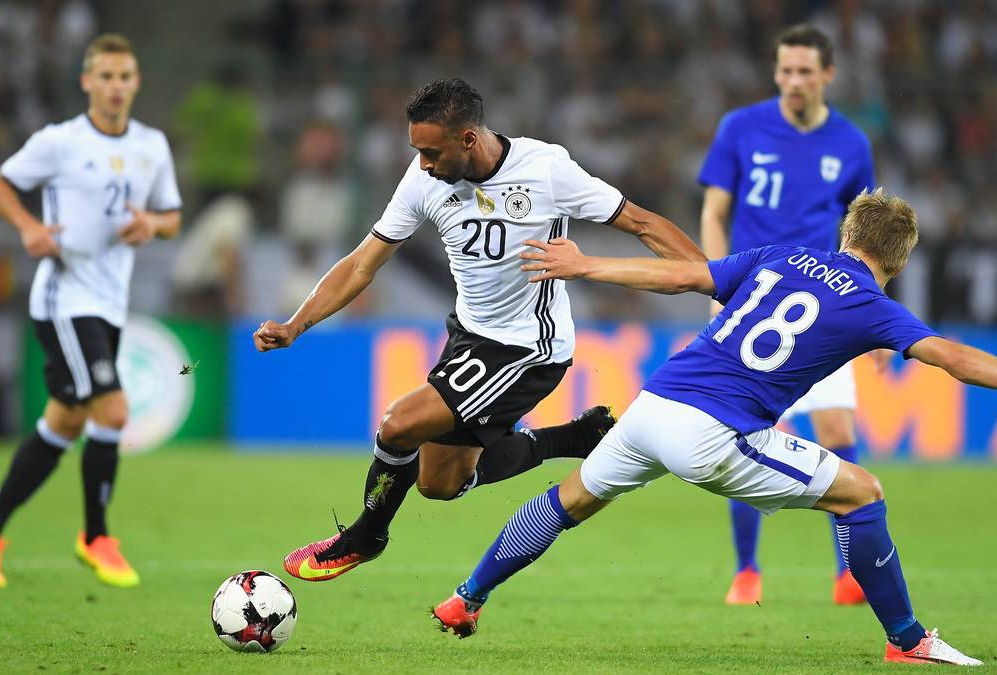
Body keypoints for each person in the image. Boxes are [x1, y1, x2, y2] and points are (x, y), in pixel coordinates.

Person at [431, 189, 997, 666]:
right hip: (713, 432)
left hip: (653, 405)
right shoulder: (872, 303)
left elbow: (681, 278)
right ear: (895, 262)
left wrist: (588, 265)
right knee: (862, 492)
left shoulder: (779, 256)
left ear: (846, 235)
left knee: (570, 498)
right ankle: (907, 641)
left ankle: (466, 597)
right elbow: (950, 357)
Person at [253, 78, 705, 582]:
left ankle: (363, 537)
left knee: (398, 425)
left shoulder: (545, 170)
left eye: (431, 151)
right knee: (439, 484)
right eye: (416, 151)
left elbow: (641, 223)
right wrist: (297, 324)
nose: (423, 163)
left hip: (526, 348)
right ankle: (577, 436)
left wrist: (715, 281)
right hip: (468, 335)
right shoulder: (424, 179)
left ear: (469, 139)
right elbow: (363, 264)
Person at [0, 34, 182, 589]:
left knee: (65, 421)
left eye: (124, 77)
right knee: (113, 411)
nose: (114, 87)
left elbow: (171, 217)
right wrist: (29, 228)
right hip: (64, 298)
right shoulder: (59, 141)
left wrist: (150, 225)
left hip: (108, 302)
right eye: (104, 77)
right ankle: (96, 537)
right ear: (86, 82)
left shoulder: (151, 145)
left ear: (135, 83)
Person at [699, 24, 877, 605]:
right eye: (785, 71)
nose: (794, 81)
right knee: (752, 435)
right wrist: (713, 283)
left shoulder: (851, 143)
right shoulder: (740, 128)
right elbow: (714, 211)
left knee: (837, 431)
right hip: (755, 301)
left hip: (823, 305)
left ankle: (848, 573)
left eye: (805, 71)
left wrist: (871, 313)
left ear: (828, 74)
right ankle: (747, 571)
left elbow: (866, 233)